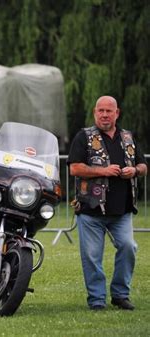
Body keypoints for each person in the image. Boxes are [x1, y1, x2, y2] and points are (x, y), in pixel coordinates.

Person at [68, 95, 147, 311]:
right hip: (90, 209)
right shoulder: (84, 137)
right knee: (92, 257)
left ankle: (121, 295)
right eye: (100, 111)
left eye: (108, 111)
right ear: (95, 113)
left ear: (116, 113)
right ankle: (97, 300)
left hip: (122, 210)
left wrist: (135, 170)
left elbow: (143, 166)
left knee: (128, 247)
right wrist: (103, 171)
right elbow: (74, 168)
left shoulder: (128, 137)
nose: (104, 115)